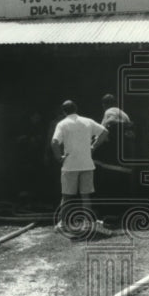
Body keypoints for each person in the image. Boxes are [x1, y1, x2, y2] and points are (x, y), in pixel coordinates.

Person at [50, 100, 108, 235]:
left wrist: (59, 157)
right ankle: (88, 223)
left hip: (70, 164)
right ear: (76, 108)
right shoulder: (87, 121)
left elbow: (54, 142)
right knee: (85, 195)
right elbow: (104, 132)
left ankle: (63, 224)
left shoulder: (62, 124)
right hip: (86, 163)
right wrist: (93, 146)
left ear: (63, 111)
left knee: (66, 197)